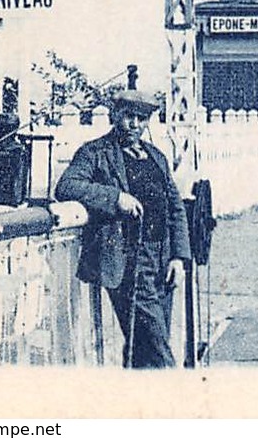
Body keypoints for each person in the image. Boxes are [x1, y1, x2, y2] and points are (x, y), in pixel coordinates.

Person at [54, 89, 191, 368]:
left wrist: (179, 257)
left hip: (161, 258)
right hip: (127, 259)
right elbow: (66, 186)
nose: (135, 124)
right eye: (129, 116)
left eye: (142, 118)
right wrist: (116, 198)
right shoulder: (95, 152)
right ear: (116, 116)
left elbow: (175, 208)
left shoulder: (156, 156)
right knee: (158, 347)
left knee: (144, 344)